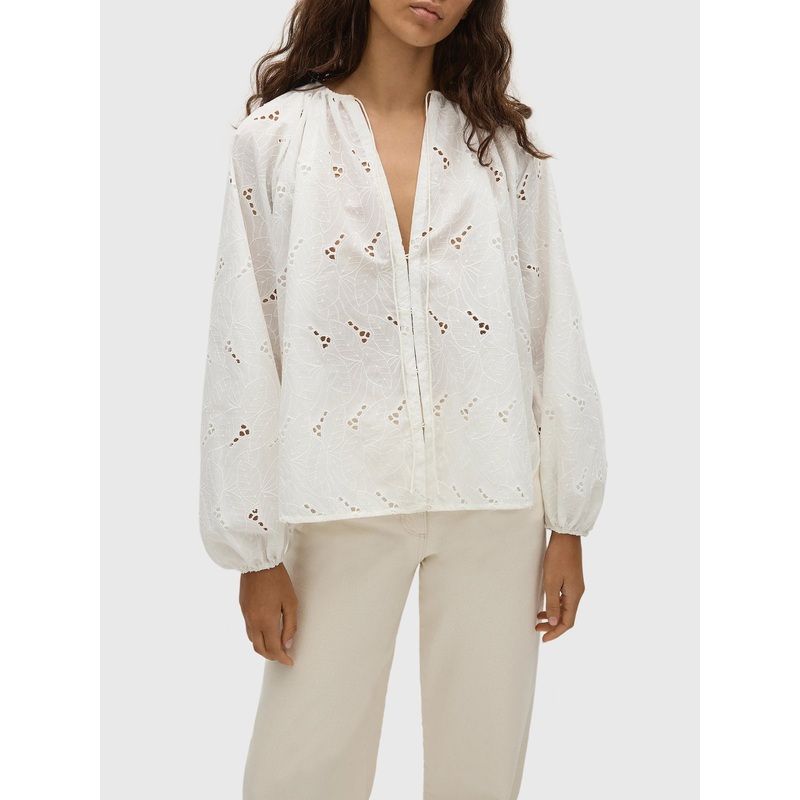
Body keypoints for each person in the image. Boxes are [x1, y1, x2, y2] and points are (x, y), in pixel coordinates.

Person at [198, 1, 608, 797]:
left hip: (495, 493)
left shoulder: (499, 148)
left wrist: (568, 520)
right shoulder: (274, 140)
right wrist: (255, 551)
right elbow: (244, 341)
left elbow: (551, 326)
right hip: (336, 495)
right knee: (299, 768)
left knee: (481, 768)